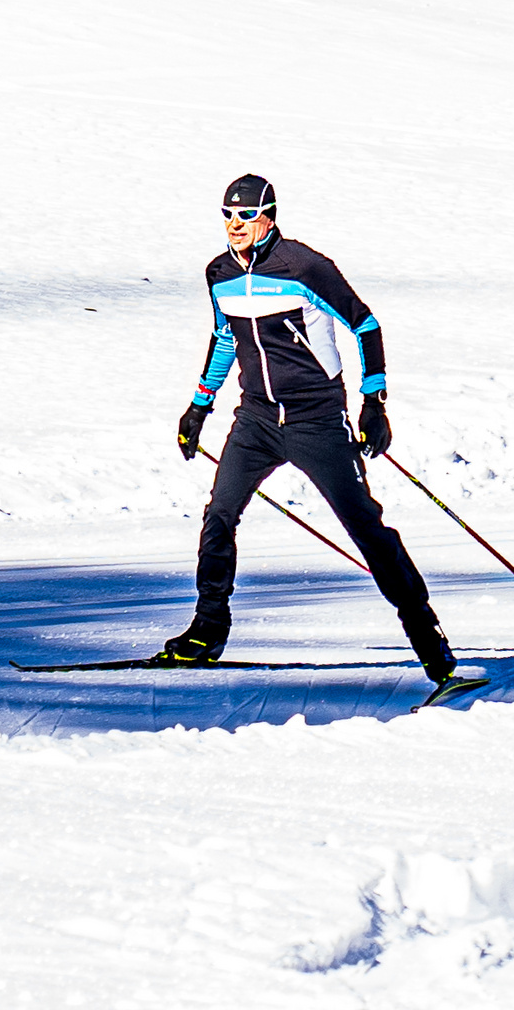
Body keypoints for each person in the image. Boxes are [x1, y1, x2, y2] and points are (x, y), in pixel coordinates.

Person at [164, 173, 458, 691]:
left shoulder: (303, 267)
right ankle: (207, 630)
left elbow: (365, 326)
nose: (235, 225)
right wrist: (198, 408)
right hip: (255, 418)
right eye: (228, 216)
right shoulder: (218, 274)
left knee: (365, 529)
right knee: (218, 516)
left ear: (268, 217)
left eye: (246, 216)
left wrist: (374, 404)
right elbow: (224, 338)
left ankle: (429, 642)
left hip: (316, 419)